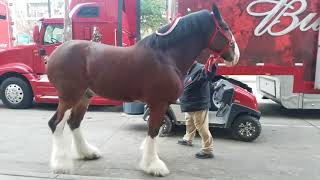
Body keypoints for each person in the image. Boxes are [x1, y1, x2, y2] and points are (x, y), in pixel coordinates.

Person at [177, 60, 216, 159]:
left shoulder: (200, 69)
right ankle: (188, 139)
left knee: (202, 127)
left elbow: (208, 74)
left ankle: (208, 150)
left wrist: (212, 65)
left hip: (198, 105)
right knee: (189, 123)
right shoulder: (187, 70)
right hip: (189, 105)